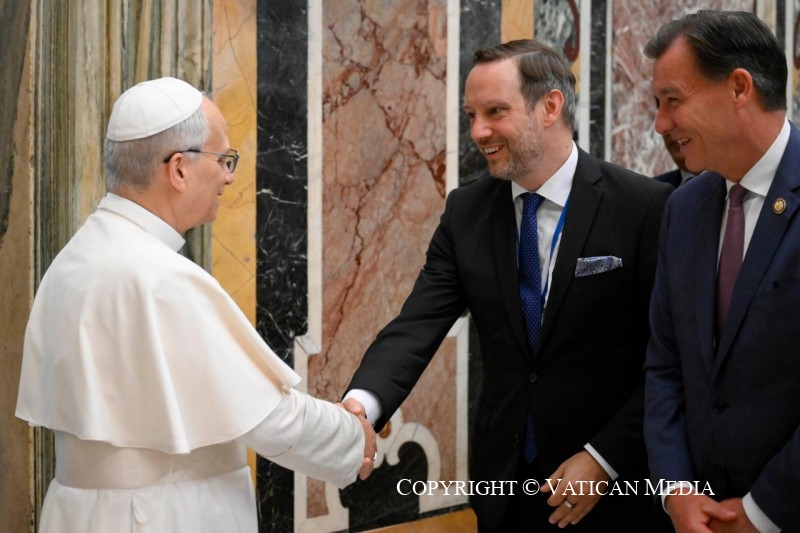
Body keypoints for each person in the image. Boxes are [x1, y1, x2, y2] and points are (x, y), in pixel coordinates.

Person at [15, 77, 376, 533]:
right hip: (161, 516)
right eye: (223, 160)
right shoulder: (161, 278)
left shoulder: (73, 258)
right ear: (179, 169)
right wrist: (353, 438)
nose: (229, 176)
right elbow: (270, 419)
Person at [344, 40, 673, 531]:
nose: (478, 131)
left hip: (616, 490)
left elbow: (669, 356)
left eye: (495, 111)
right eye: (472, 114)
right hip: (505, 490)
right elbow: (418, 321)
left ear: (550, 106)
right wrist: (362, 405)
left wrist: (604, 458)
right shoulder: (466, 212)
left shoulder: (644, 206)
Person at [644, 10, 800, 533]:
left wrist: (759, 513)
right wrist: (676, 492)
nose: (661, 124)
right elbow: (665, 365)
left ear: (739, 87)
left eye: (673, 101)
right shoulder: (683, 210)